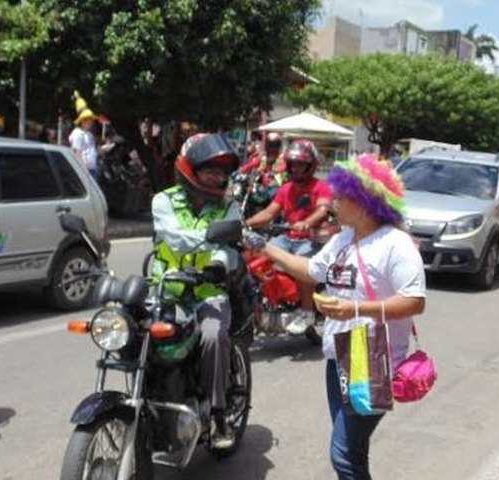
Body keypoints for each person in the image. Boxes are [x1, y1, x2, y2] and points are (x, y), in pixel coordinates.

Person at [244, 153, 425, 479]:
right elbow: (311, 271)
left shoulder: (395, 244)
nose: (332, 203)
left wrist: (355, 309)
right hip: (340, 352)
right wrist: (262, 246)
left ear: (365, 202)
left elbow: (414, 302)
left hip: (370, 354)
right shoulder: (343, 238)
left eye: (340, 198)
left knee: (342, 453)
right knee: (352, 452)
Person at [151, 132, 242, 450]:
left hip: (208, 292)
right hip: (164, 293)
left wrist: (218, 263)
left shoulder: (230, 207)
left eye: (222, 171)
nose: (217, 176)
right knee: (129, 332)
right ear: (190, 168)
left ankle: (218, 415)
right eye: (210, 169)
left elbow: (229, 248)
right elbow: (173, 238)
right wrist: (212, 237)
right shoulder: (163, 200)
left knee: (213, 336)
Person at [245, 138, 333, 334]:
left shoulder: (321, 187)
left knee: (302, 265)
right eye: (293, 165)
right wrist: (245, 224)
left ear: (310, 165)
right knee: (255, 254)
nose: (296, 169)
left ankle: (307, 312)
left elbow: (323, 209)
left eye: (301, 165)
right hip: (287, 238)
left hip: (311, 239)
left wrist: (306, 223)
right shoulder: (285, 189)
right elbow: (269, 213)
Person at [69, 91, 99, 180]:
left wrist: (103, 150)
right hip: (85, 172)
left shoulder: (89, 135)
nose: (91, 121)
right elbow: (77, 153)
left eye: (91, 119)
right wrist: (84, 173)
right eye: (88, 119)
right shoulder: (78, 134)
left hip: (92, 170)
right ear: (82, 121)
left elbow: (92, 152)